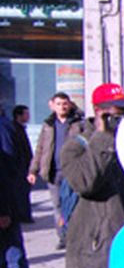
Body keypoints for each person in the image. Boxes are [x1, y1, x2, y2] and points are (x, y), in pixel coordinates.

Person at [60, 83, 124, 268]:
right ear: (99, 112)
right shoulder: (76, 147)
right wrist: (103, 137)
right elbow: (87, 182)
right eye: (118, 114)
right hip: (101, 246)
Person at [28, 92, 85, 249]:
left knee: (74, 204)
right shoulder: (48, 125)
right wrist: (33, 170)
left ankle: (75, 235)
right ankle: (63, 236)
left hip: (72, 171)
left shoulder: (78, 123)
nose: (62, 107)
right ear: (52, 105)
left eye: (65, 103)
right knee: (58, 206)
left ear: (70, 104)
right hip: (53, 173)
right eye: (59, 104)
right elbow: (40, 149)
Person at [0, 106, 39, 268]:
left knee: (12, 258)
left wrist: (5, 209)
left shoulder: (3, 129)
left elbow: (6, 172)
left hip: (5, 207)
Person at [7, 105, 33, 222]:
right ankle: (22, 215)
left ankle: (25, 215)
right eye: (26, 114)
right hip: (19, 166)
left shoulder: (21, 128)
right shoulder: (14, 129)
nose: (28, 116)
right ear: (19, 116)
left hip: (24, 164)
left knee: (24, 191)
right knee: (20, 192)